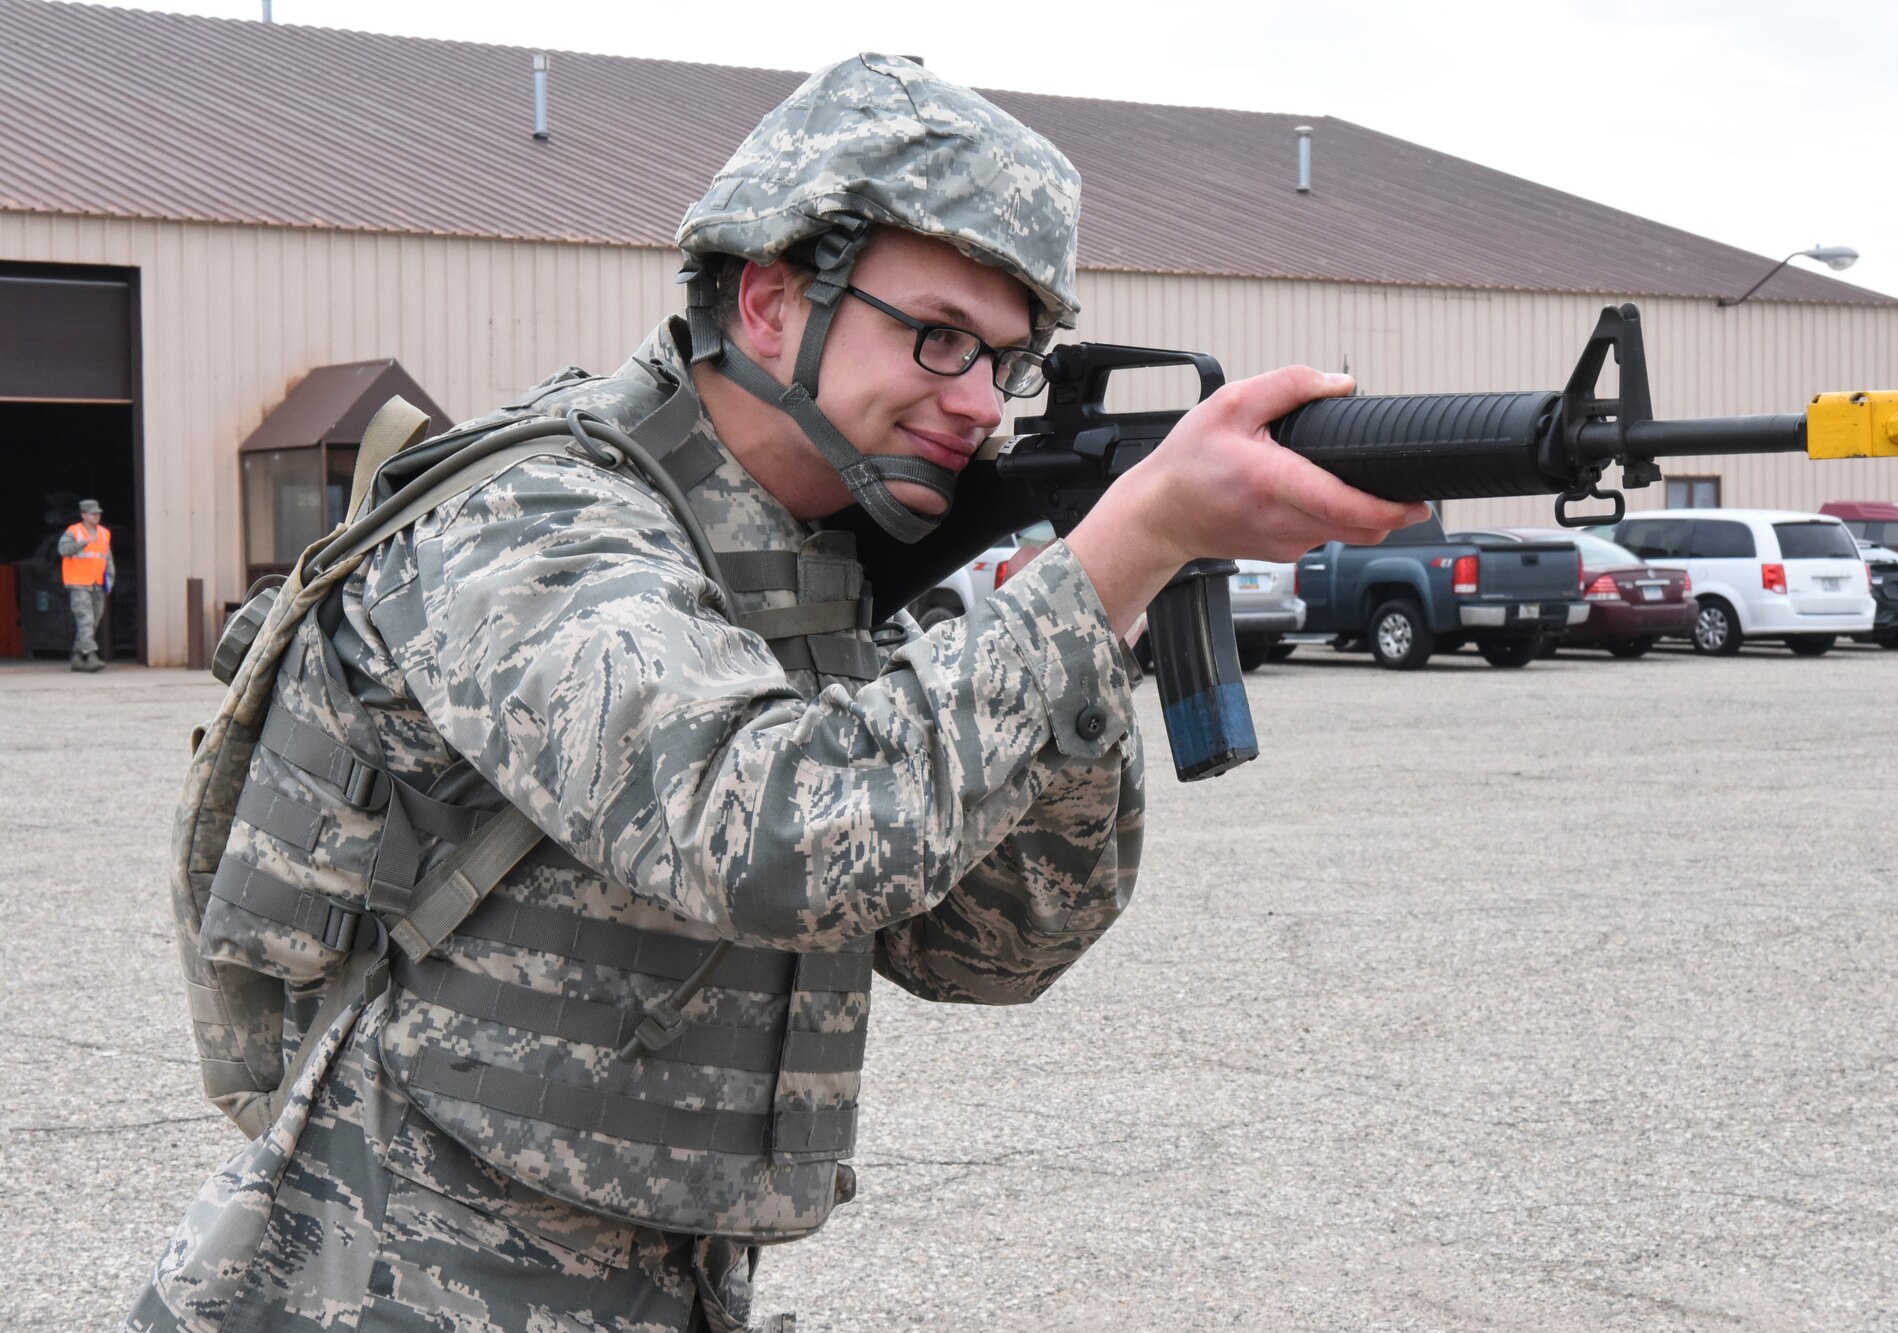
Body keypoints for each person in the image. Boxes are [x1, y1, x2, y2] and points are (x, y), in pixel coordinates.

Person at [131, 54, 1426, 1332]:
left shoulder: (824, 552)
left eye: (1009, 360)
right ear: (765, 302)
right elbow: (776, 835)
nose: (977, 401)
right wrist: (1108, 563)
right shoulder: (536, 521)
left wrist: (1093, 607)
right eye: (937, 336)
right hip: (372, 1282)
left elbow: (993, 945)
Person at [58, 497, 113, 671]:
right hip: (79, 583)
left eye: (98, 513)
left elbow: (108, 560)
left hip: (97, 584)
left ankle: (76, 657)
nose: (97, 516)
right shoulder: (73, 531)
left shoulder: (104, 533)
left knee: (93, 621)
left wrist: (108, 583)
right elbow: (63, 550)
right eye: (93, 513)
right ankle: (91, 655)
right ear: (83, 515)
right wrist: (82, 543)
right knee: (85, 620)